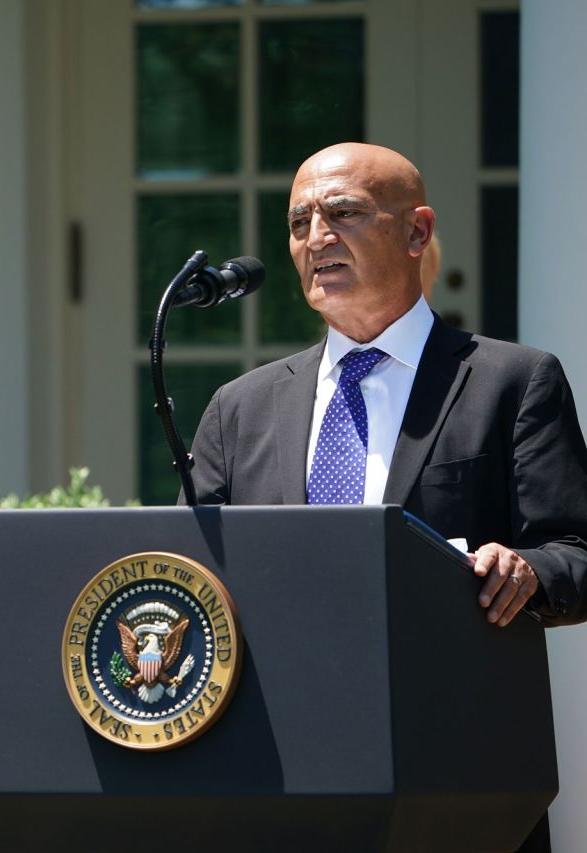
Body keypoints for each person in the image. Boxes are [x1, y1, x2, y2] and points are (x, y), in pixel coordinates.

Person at [188, 142, 587, 631]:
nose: (316, 239)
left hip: (445, 696)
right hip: (282, 697)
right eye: (299, 223)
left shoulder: (515, 382)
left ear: (417, 231)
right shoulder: (238, 408)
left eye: (343, 213)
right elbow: (195, 566)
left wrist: (527, 572)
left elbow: (575, 554)